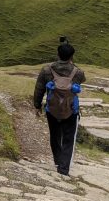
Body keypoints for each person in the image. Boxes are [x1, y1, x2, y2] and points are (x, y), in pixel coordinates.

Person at [33, 37, 86, 176]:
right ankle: (63, 169)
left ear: (57, 54)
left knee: (55, 135)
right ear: (72, 56)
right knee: (69, 139)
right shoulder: (78, 72)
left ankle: (57, 160)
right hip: (71, 109)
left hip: (52, 109)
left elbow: (39, 89)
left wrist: (37, 106)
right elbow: (81, 81)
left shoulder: (46, 70)